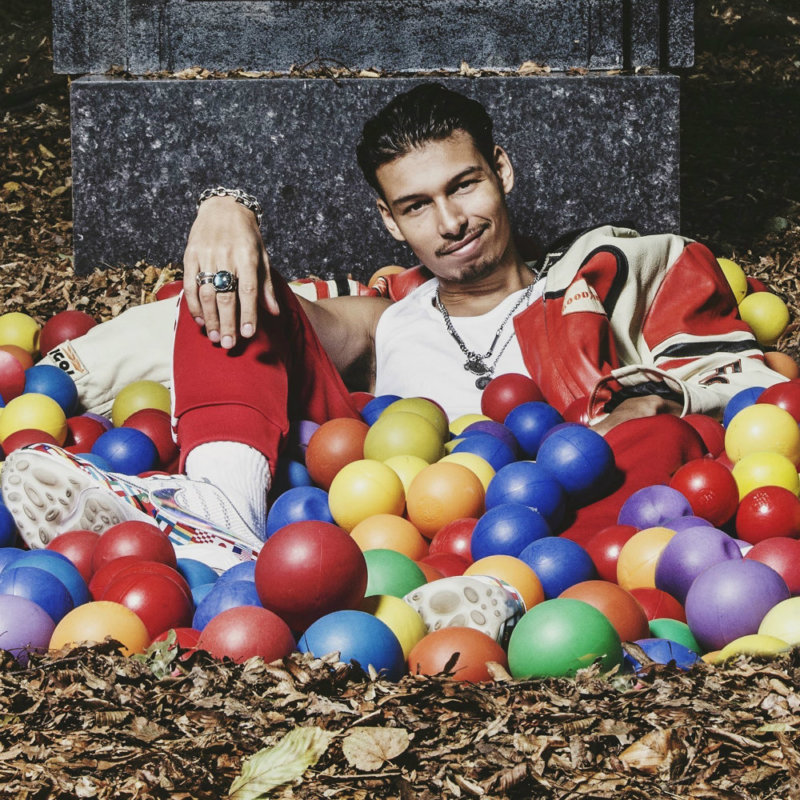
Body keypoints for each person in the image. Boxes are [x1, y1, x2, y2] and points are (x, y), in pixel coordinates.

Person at [1, 83, 785, 572]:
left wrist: (647, 399)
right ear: (389, 220)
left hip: (548, 514)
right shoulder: (390, 319)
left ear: (502, 170)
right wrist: (225, 210)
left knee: (654, 440)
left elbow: (724, 370)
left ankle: (495, 590)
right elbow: (256, 308)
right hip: (385, 521)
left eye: (464, 186)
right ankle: (223, 512)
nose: (451, 222)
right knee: (231, 293)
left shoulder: (594, 284)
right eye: (417, 206)